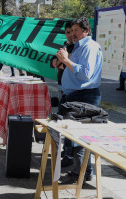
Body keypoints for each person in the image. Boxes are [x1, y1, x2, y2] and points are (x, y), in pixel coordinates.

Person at [56, 17, 103, 182]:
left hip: (83, 95)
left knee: (78, 138)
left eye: (77, 30)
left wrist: (66, 60)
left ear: (87, 31)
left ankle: (81, 174)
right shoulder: (77, 46)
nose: (73, 34)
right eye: (72, 30)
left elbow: (85, 74)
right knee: (73, 136)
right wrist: (63, 60)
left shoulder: (89, 47)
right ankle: (82, 172)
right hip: (74, 95)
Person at [51, 21, 74, 167]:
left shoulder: (77, 47)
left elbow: (70, 67)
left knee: (70, 121)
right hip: (61, 85)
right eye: (67, 32)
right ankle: (66, 150)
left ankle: (69, 154)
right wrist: (62, 62)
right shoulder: (63, 47)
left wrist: (62, 62)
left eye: (72, 31)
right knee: (62, 119)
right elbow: (53, 62)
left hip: (72, 88)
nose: (70, 35)